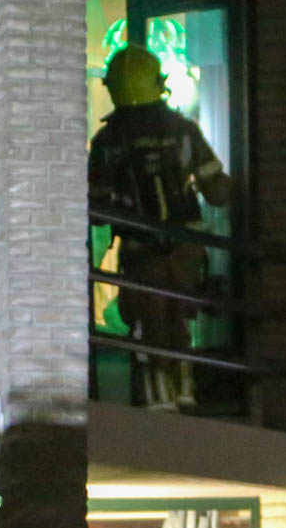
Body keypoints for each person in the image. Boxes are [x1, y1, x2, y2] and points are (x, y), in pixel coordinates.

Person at [89, 45, 232, 409]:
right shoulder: (183, 130)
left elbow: (97, 211)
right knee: (180, 318)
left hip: (140, 250)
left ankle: (158, 395)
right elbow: (217, 192)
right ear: (157, 82)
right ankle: (185, 388)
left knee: (148, 321)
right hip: (186, 246)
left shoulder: (107, 142)